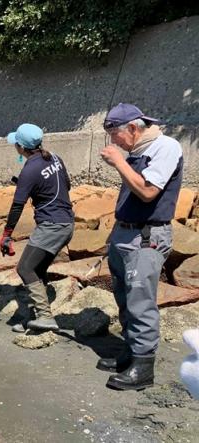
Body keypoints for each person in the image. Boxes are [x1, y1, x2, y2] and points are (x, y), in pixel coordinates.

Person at [96, 103, 183, 391]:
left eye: (114, 135)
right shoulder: (137, 152)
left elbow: (147, 192)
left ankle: (143, 367)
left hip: (146, 238)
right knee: (124, 298)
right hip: (124, 235)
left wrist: (118, 162)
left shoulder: (165, 147)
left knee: (141, 302)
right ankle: (131, 352)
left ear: (132, 128)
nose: (113, 143)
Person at [0, 123, 74, 333]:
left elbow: (17, 205)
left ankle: (45, 317)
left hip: (52, 225)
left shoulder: (29, 170)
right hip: (67, 223)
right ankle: (37, 319)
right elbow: (66, 184)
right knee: (38, 269)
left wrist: (6, 235)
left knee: (24, 268)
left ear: (21, 147)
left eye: (16, 144)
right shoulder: (55, 158)